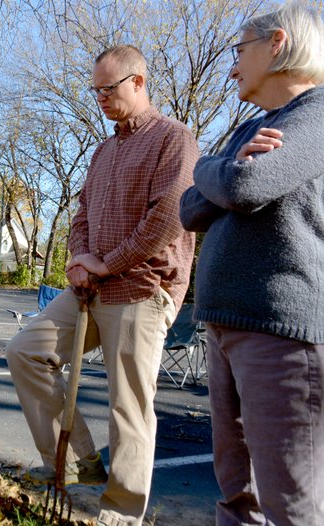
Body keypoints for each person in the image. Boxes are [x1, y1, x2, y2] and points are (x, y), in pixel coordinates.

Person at [5, 45, 199, 526]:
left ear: (137, 81)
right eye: (95, 90)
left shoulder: (174, 139)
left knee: (128, 407)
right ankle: (77, 462)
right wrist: (77, 261)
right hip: (91, 288)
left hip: (142, 291)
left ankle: (120, 515)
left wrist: (104, 263)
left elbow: (167, 219)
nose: (100, 98)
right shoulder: (104, 149)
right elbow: (83, 213)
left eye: (107, 89)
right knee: (26, 349)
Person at [179, 3, 324, 524]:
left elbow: (247, 186)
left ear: (277, 44)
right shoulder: (249, 130)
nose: (233, 66)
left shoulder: (318, 116)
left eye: (240, 52)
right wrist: (222, 169)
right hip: (224, 326)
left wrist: (208, 169)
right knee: (237, 495)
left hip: (280, 335)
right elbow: (189, 208)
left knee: (290, 501)